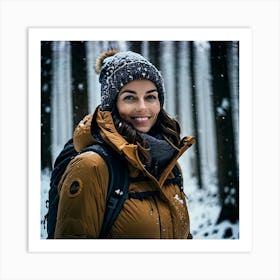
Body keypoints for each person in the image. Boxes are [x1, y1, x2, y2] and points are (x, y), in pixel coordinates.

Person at [54, 49, 195, 239]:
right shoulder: (91, 166)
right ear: (112, 105)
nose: (143, 107)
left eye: (150, 96)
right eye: (130, 97)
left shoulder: (169, 163)